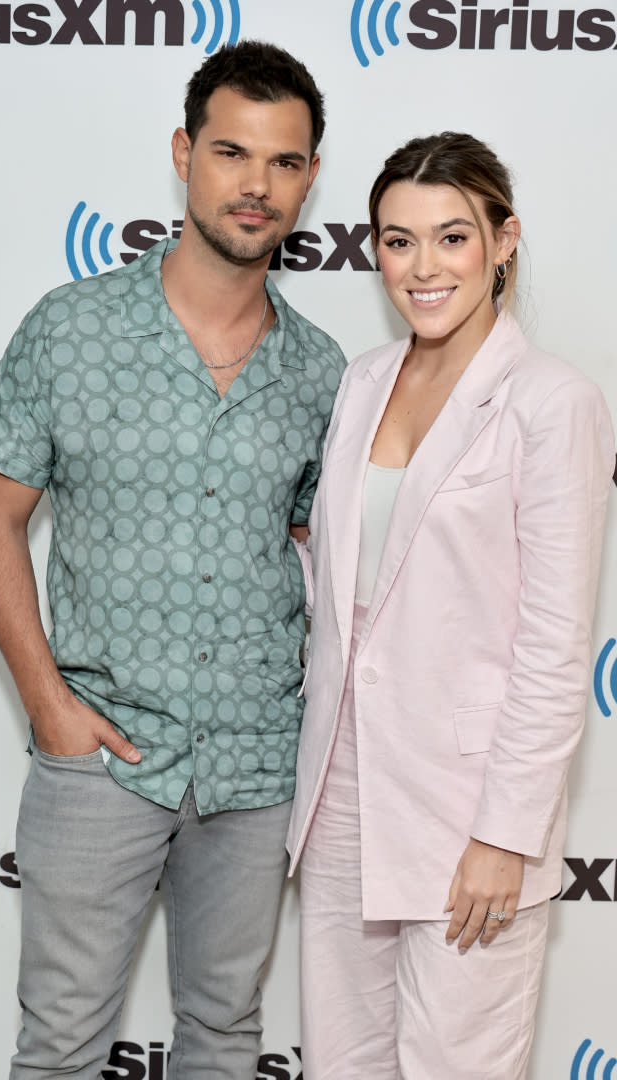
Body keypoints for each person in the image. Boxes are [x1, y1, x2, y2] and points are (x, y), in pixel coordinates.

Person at [0, 40, 345, 1080]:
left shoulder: (323, 374)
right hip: (102, 756)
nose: (255, 185)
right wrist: (46, 703)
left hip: (259, 767)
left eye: (283, 162)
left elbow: (329, 562)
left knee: (224, 1038)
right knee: (59, 1047)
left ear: (309, 177)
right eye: (232, 153)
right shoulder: (70, 330)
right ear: (184, 153)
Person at [286, 132, 614, 1079]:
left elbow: (555, 645)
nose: (422, 268)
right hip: (344, 793)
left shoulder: (554, 402)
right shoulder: (361, 383)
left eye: (451, 237)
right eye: (397, 241)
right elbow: (347, 587)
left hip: (467, 810)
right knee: (343, 1063)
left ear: (503, 241)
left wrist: (504, 835)